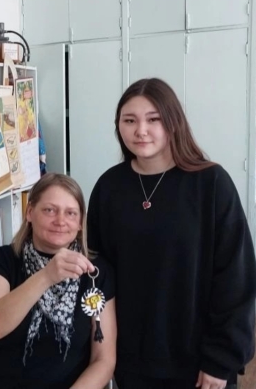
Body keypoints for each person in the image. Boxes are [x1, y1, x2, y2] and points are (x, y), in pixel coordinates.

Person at [87, 78, 256, 389]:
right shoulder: (109, 187)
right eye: (129, 120)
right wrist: (102, 352)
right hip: (132, 361)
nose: (141, 130)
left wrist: (221, 359)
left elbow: (237, 277)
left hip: (200, 364)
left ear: (173, 122)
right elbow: (100, 275)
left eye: (154, 119)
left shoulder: (211, 183)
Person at [0, 173, 117, 389]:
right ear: (30, 212)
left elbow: (103, 360)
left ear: (81, 222)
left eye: (71, 213)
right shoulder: (4, 259)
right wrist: (45, 276)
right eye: (50, 210)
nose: (60, 221)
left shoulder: (96, 272)